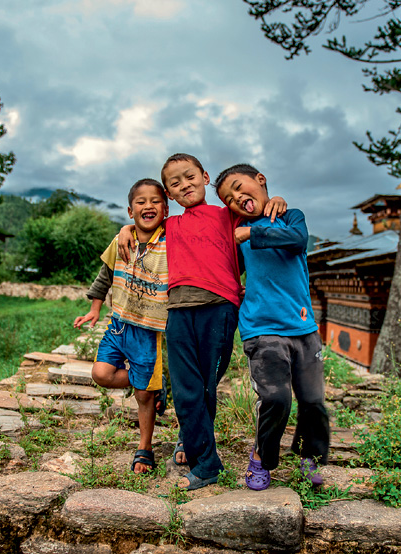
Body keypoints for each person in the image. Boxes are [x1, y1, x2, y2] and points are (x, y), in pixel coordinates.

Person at [119, 153, 286, 490]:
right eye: (175, 183)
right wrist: (126, 227)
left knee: (207, 387)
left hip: (220, 307)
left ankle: (198, 453)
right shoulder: (171, 224)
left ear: (205, 177)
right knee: (185, 390)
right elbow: (142, 223)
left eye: (190, 177)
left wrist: (277, 200)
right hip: (178, 311)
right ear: (169, 194)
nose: (185, 185)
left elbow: (258, 210)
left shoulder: (227, 215)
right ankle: (206, 464)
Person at [214, 163, 330, 490]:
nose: (236, 197)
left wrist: (255, 231)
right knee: (277, 398)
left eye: (240, 187)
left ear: (260, 180)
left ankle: (310, 460)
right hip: (261, 329)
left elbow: (298, 240)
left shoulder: (290, 217)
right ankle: (262, 458)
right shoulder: (236, 229)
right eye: (228, 198)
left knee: (313, 402)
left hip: (303, 328)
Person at [74, 178, 169, 475]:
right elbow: (105, 275)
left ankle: (145, 448)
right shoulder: (120, 241)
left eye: (155, 201)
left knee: (142, 397)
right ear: (130, 211)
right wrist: (94, 308)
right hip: (118, 325)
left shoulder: (171, 242)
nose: (148, 206)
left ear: (165, 208)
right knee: (101, 374)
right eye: (141, 202)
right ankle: (154, 386)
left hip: (148, 330)